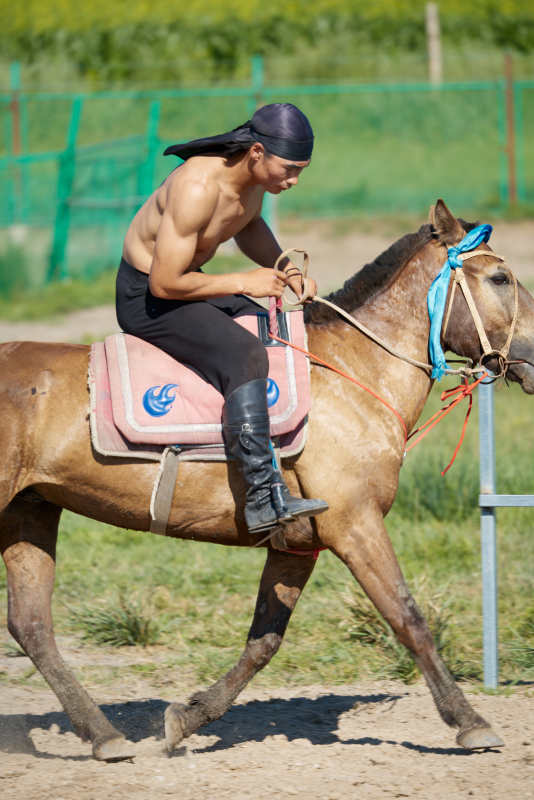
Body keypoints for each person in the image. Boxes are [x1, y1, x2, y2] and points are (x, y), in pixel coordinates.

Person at [116, 102, 328, 534]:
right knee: (245, 353)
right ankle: (261, 497)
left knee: (271, 329)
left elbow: (247, 226)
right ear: (256, 153)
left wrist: (287, 271)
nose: (294, 180)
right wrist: (244, 282)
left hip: (184, 284)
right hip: (149, 299)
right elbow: (165, 284)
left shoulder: (251, 182)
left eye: (301, 169)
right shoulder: (196, 187)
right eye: (288, 169)